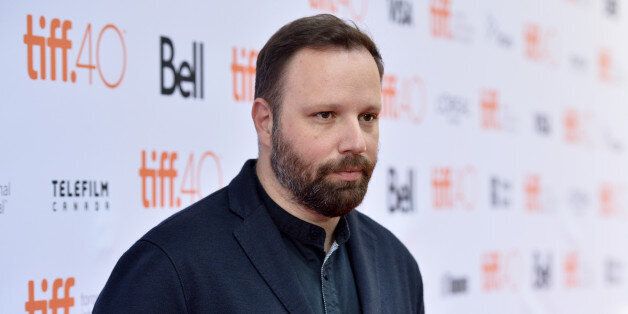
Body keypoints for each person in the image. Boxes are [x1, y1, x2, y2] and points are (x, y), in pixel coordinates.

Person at [94, 14, 424, 313]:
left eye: (368, 116)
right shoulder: (170, 269)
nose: (356, 142)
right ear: (265, 122)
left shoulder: (395, 264)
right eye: (325, 115)